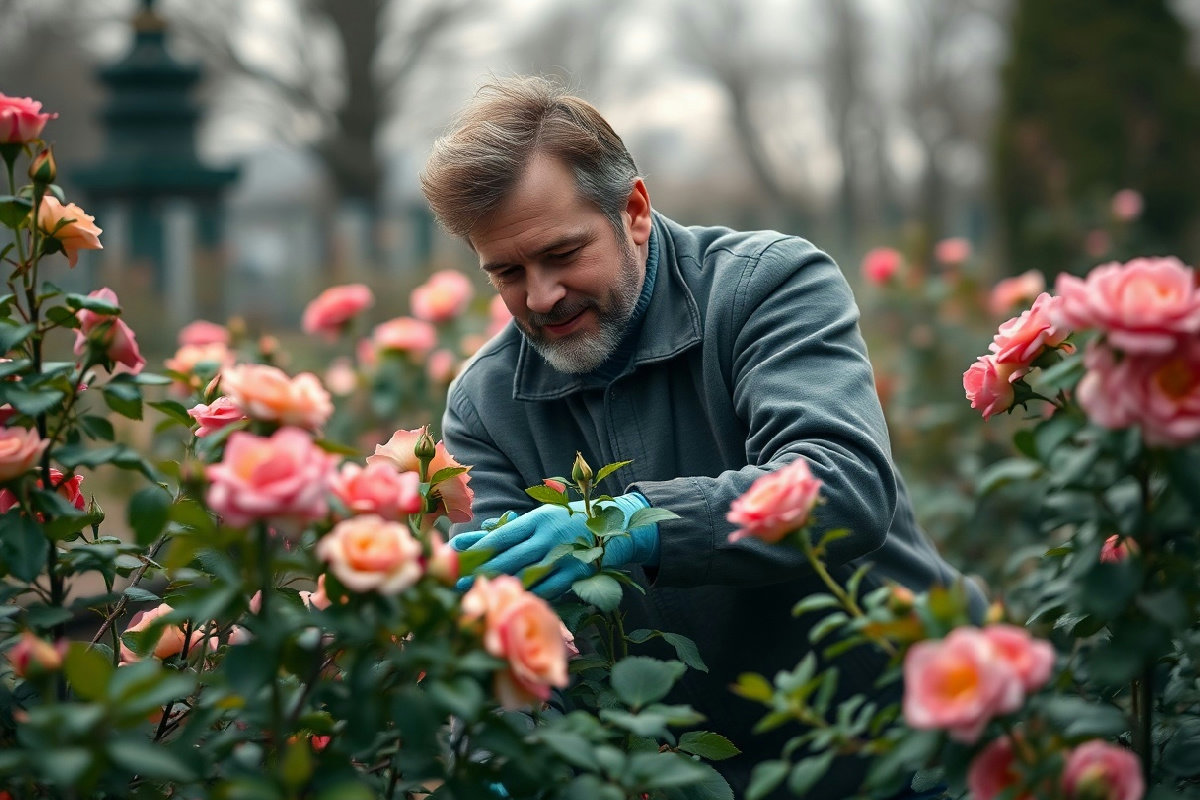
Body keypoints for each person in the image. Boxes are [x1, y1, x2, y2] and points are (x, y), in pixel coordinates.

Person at [421, 75, 982, 800]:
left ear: (634, 212)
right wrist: (500, 751)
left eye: (562, 254)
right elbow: (510, 628)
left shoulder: (765, 288)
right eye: (506, 271)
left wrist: (633, 526)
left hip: (907, 746)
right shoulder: (487, 403)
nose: (540, 296)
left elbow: (843, 485)